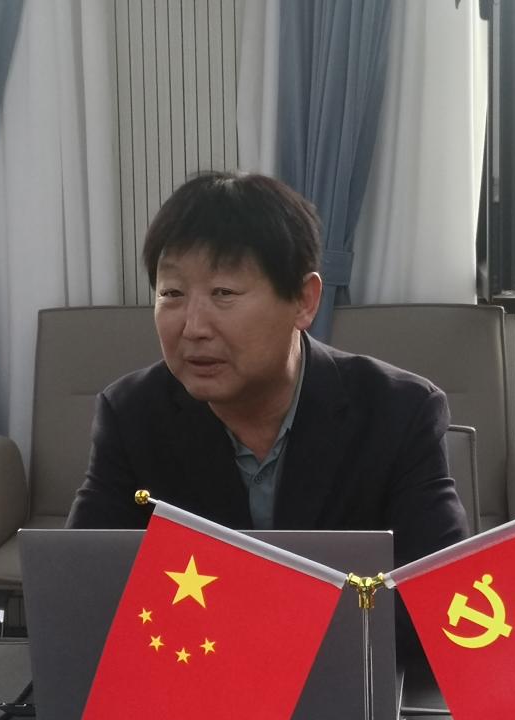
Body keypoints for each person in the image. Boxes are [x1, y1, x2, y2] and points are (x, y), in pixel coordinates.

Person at [66, 171, 468, 569]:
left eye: (223, 293)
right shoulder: (131, 414)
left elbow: (439, 591)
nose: (193, 327)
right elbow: (80, 581)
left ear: (304, 301)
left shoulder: (398, 413)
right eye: (172, 293)